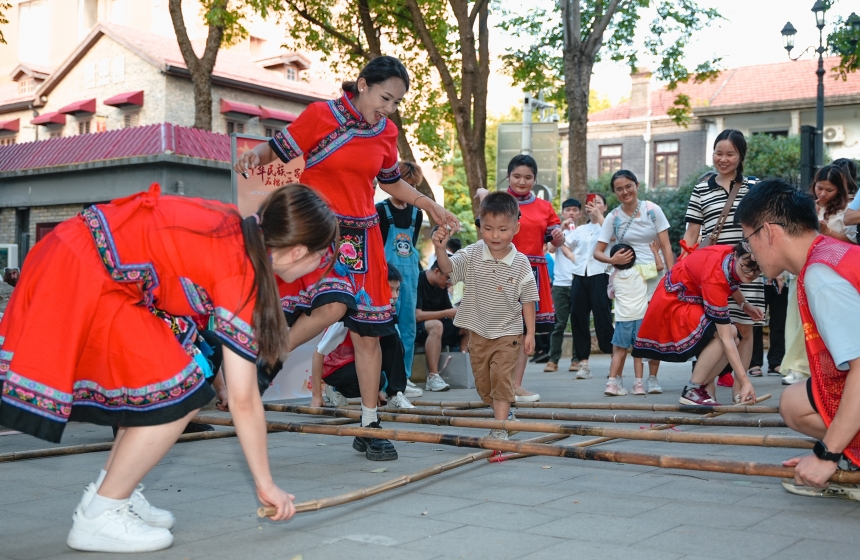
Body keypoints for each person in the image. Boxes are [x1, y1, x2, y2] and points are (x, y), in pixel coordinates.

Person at [0, 183, 337, 552]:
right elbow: (244, 400)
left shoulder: (235, 230)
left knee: (168, 380)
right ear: (299, 250)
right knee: (179, 389)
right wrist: (266, 483)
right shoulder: (239, 267)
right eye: (321, 256)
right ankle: (100, 516)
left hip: (94, 268)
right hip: (83, 272)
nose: (320, 265)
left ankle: (111, 495)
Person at [235, 56, 459, 461]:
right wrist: (254, 156)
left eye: (396, 103)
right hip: (320, 232)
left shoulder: (386, 131)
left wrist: (430, 205)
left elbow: (390, 179)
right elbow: (279, 147)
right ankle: (267, 359)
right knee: (333, 304)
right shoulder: (322, 115)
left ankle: (369, 424)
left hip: (366, 236)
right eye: (385, 98)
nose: (389, 109)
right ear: (362, 84)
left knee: (368, 335)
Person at [735, 179, 860, 499]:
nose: (750, 254)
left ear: (769, 232)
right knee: (794, 402)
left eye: (749, 240)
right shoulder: (832, 254)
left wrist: (826, 454)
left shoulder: (822, 276)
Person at [432, 191, 539, 440]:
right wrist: (440, 250)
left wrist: (530, 333)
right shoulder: (471, 254)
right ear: (480, 225)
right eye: (488, 228)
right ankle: (506, 415)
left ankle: (500, 428)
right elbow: (448, 269)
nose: (495, 235)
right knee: (484, 385)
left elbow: (529, 299)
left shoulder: (521, 262)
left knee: (502, 379)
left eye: (503, 229)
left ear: (516, 227)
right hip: (478, 332)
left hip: (508, 333)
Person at [681, 130, 765, 391]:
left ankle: (742, 389)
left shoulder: (754, 186)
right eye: (719, 153)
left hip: (748, 267)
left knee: (745, 328)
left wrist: (774, 267)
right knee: (714, 331)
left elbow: (765, 227)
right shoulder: (701, 188)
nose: (723, 159)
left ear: (741, 157)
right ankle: (705, 389)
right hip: (712, 272)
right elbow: (692, 233)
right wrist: (682, 266)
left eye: (730, 154)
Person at [632, 242, 761, 406]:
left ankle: (698, 388)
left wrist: (744, 305)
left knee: (733, 338)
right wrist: (745, 381)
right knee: (729, 335)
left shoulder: (731, 256)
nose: (750, 274)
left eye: (757, 271)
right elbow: (725, 336)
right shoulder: (715, 277)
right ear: (736, 257)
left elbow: (732, 279)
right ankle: (693, 390)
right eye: (746, 268)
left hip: (690, 296)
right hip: (674, 300)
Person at [594, 170, 675, 391]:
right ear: (614, 192)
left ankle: (652, 379)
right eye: (619, 189)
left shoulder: (652, 210)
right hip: (627, 279)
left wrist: (672, 275)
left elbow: (666, 246)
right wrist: (613, 258)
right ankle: (617, 379)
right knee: (624, 325)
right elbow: (598, 252)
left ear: (636, 185)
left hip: (654, 274)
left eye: (628, 186)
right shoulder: (613, 217)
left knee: (653, 327)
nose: (625, 192)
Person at [780, 165, 855, 388]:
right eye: (819, 187)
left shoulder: (847, 211)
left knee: (823, 321)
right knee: (796, 320)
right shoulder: (805, 205)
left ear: (839, 191)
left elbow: (852, 244)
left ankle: (820, 367)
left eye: (829, 190)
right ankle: (797, 367)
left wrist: (828, 232)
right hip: (802, 268)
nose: (822, 194)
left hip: (831, 274)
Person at [310, 265, 415, 422]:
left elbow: (385, 352)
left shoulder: (386, 313)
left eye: (397, 290)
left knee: (393, 338)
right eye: (389, 289)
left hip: (362, 361)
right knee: (379, 379)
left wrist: (376, 391)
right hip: (337, 369)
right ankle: (335, 389)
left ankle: (395, 395)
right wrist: (316, 396)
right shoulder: (350, 314)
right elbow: (318, 354)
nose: (394, 296)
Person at [505, 154, 563, 402]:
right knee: (501, 329)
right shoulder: (499, 202)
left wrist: (559, 238)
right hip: (504, 269)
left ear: (535, 180)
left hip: (533, 273)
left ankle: (515, 385)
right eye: (517, 176)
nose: (522, 181)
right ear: (508, 176)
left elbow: (554, 238)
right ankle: (498, 383)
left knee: (523, 331)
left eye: (528, 177)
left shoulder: (545, 207)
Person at [376, 161, 425, 398]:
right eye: (406, 184)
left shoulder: (418, 212)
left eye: (414, 186)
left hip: (410, 276)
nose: (410, 190)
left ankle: (403, 378)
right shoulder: (380, 210)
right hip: (387, 277)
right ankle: (386, 380)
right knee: (387, 327)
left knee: (408, 327)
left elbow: (413, 246)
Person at [564, 193, 613, 379]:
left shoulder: (609, 224)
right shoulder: (581, 229)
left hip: (600, 274)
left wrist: (600, 217)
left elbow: (614, 237)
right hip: (579, 275)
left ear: (605, 207)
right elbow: (565, 244)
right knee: (578, 317)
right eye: (590, 203)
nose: (593, 205)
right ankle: (583, 363)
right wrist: (572, 258)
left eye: (598, 203)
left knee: (603, 317)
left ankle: (613, 361)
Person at [605, 241, 664, 396]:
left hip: (622, 319)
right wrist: (655, 251)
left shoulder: (614, 276)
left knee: (619, 352)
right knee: (638, 353)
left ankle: (611, 384)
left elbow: (610, 294)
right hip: (640, 318)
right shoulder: (640, 270)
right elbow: (660, 267)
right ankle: (638, 385)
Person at [416, 262, 467, 391]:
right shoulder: (418, 280)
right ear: (437, 271)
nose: (449, 283)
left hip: (438, 324)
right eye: (448, 278)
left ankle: (465, 369)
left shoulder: (441, 285)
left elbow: (449, 311)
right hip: (417, 326)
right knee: (437, 325)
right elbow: (417, 315)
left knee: (467, 325)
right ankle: (433, 377)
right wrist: (447, 313)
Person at [545, 198, 581, 373]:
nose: (571, 213)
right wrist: (560, 228)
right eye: (568, 210)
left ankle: (576, 360)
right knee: (559, 323)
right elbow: (551, 250)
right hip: (560, 283)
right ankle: (553, 360)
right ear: (563, 213)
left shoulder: (584, 232)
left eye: (575, 210)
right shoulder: (557, 232)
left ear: (580, 213)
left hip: (578, 281)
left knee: (577, 323)